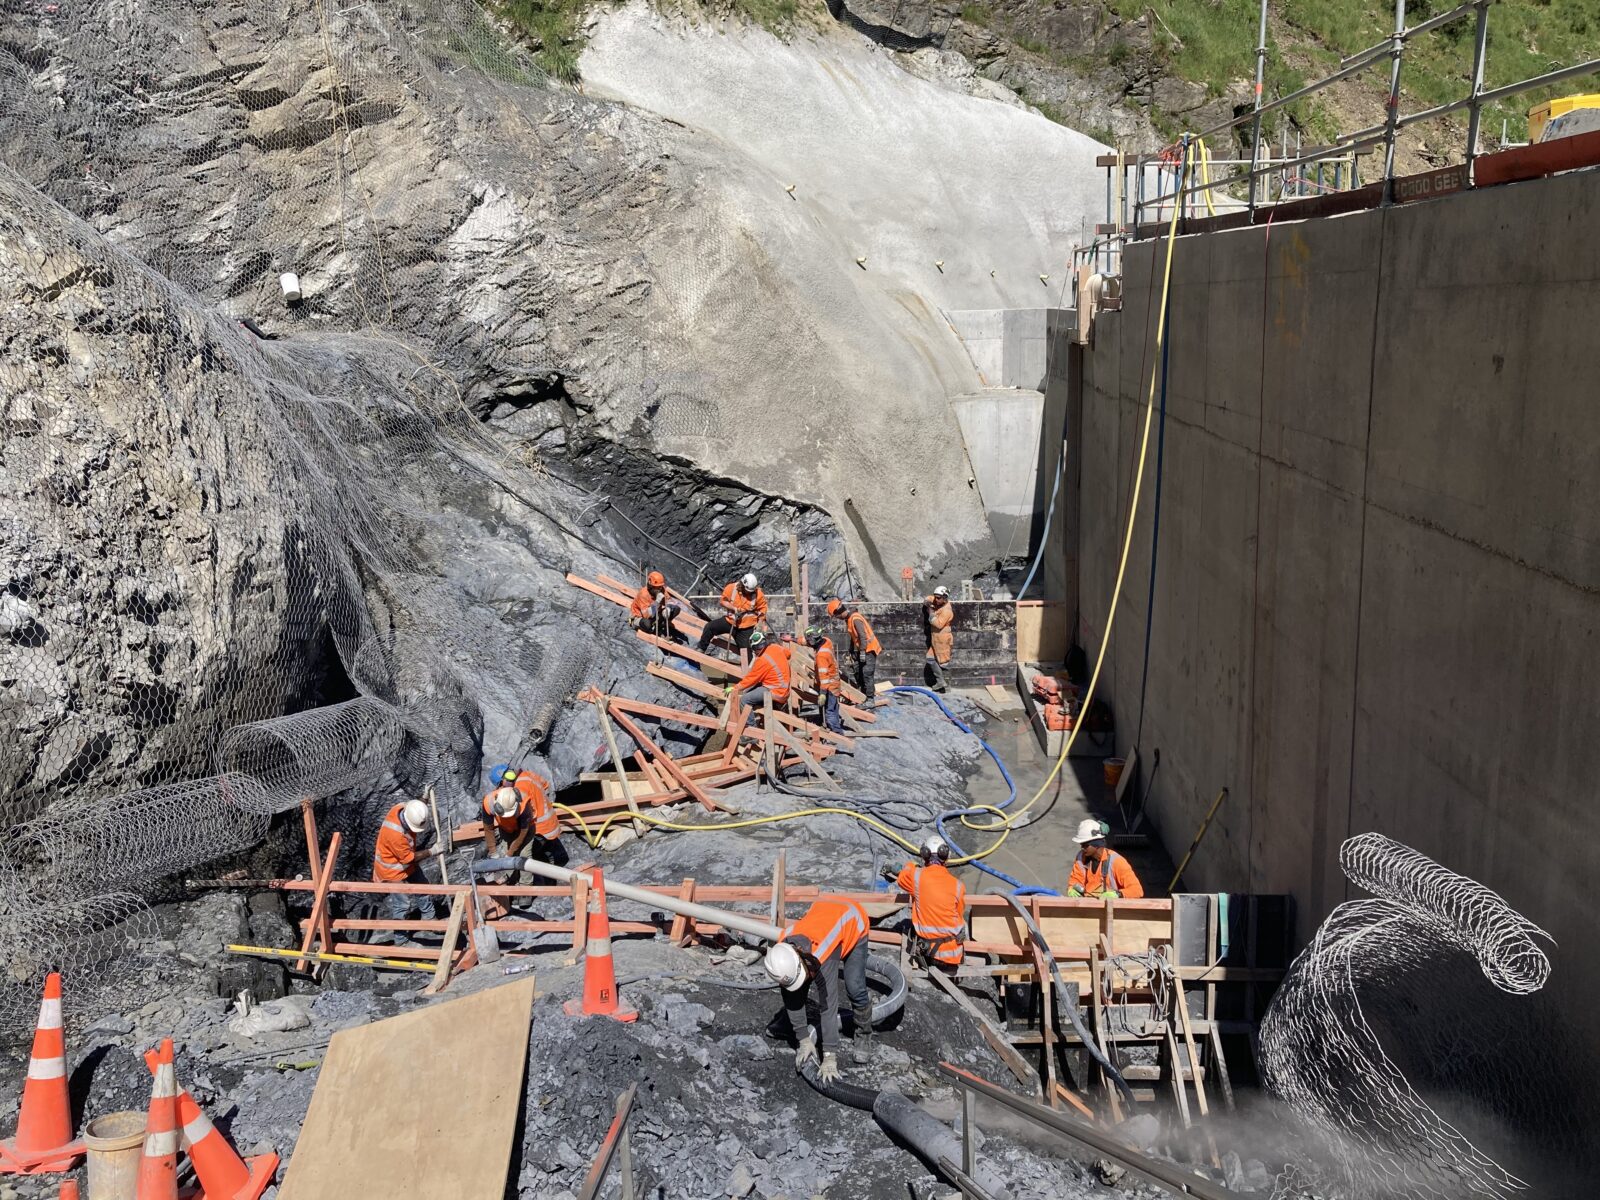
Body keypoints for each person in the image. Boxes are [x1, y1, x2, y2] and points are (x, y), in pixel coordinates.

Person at [763, 896, 874, 1080]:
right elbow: (790, 992)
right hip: (824, 912)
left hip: (853, 920)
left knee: (854, 986)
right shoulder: (783, 948)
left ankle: (864, 1033)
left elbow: (829, 1005)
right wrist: (803, 1039)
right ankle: (793, 1023)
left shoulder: (824, 954)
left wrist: (829, 1056)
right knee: (795, 989)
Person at [881, 834, 966, 969]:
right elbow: (959, 914)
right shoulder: (959, 885)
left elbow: (903, 875)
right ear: (946, 857)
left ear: (924, 855)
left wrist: (912, 865)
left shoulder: (917, 877)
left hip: (929, 953)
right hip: (954, 954)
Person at [370, 798, 444, 944]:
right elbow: (408, 858)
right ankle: (401, 939)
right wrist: (432, 851)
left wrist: (423, 800)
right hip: (391, 870)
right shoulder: (395, 835)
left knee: (422, 885)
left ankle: (429, 918)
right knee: (402, 904)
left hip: (404, 864)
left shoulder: (402, 808)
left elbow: (414, 808)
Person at [485, 765, 568, 868]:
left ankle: (544, 876)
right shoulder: (525, 774)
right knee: (545, 849)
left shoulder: (519, 792)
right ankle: (550, 864)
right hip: (549, 822)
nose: (500, 789)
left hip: (539, 827)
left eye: (500, 785)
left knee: (529, 855)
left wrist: (510, 852)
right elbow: (545, 784)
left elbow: (522, 819)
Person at [1067, 819, 1144, 899]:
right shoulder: (1081, 857)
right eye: (1081, 844)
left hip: (1111, 907)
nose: (1082, 848)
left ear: (1096, 844)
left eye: (1085, 845)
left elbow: (1137, 890)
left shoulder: (1117, 862)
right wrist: (1072, 889)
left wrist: (1118, 894)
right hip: (1088, 905)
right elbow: (1075, 880)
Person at [825, 598, 881, 698]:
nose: (837, 618)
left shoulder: (855, 619)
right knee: (858, 670)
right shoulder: (849, 619)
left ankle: (870, 699)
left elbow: (862, 636)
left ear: (839, 613)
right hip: (864, 649)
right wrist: (851, 650)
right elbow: (853, 636)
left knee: (867, 673)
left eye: (836, 616)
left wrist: (863, 652)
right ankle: (862, 694)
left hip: (870, 649)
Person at [698, 572, 767, 653]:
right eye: (747, 590)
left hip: (746, 627)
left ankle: (748, 664)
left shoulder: (758, 594)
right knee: (709, 627)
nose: (749, 593)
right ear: (742, 585)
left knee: (746, 651)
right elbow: (723, 601)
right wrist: (734, 608)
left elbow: (762, 609)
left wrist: (760, 623)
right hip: (730, 621)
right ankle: (701, 648)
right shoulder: (731, 588)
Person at [727, 630, 791, 714]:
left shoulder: (762, 660)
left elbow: (751, 679)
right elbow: (788, 654)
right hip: (784, 689)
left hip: (775, 691)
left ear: (754, 648)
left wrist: (735, 688)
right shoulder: (776, 647)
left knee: (744, 700)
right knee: (750, 690)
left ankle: (751, 725)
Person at [806, 625, 844, 734]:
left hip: (829, 686)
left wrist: (822, 693)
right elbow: (806, 641)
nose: (808, 643)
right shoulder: (826, 641)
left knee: (830, 711)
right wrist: (793, 639)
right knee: (834, 708)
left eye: (809, 640)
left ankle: (836, 733)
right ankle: (832, 727)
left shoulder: (821, 655)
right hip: (834, 682)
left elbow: (824, 677)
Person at [629, 570, 683, 643]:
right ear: (650, 586)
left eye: (660, 587)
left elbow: (670, 601)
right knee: (647, 624)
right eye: (657, 588)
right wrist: (657, 602)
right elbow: (646, 615)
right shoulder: (643, 594)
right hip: (640, 617)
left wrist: (668, 608)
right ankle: (650, 629)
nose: (659, 590)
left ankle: (659, 628)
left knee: (676, 609)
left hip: (655, 615)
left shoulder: (661, 589)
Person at [924, 585, 953, 694]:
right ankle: (941, 682)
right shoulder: (938, 601)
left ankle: (947, 688)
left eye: (939, 598)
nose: (936, 599)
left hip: (943, 638)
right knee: (930, 659)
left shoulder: (947, 610)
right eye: (936, 597)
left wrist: (931, 612)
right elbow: (928, 598)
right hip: (935, 638)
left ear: (945, 597)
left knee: (944, 663)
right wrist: (927, 601)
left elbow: (938, 624)